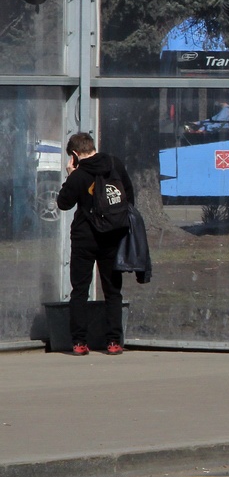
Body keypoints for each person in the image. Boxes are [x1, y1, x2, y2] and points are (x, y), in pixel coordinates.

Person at [55, 132, 135, 356]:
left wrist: (70, 175)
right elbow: (128, 194)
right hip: (112, 236)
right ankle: (114, 341)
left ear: (74, 155)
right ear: (93, 147)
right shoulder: (114, 164)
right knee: (112, 290)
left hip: (85, 238)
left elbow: (63, 203)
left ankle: (79, 342)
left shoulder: (79, 175)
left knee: (80, 290)